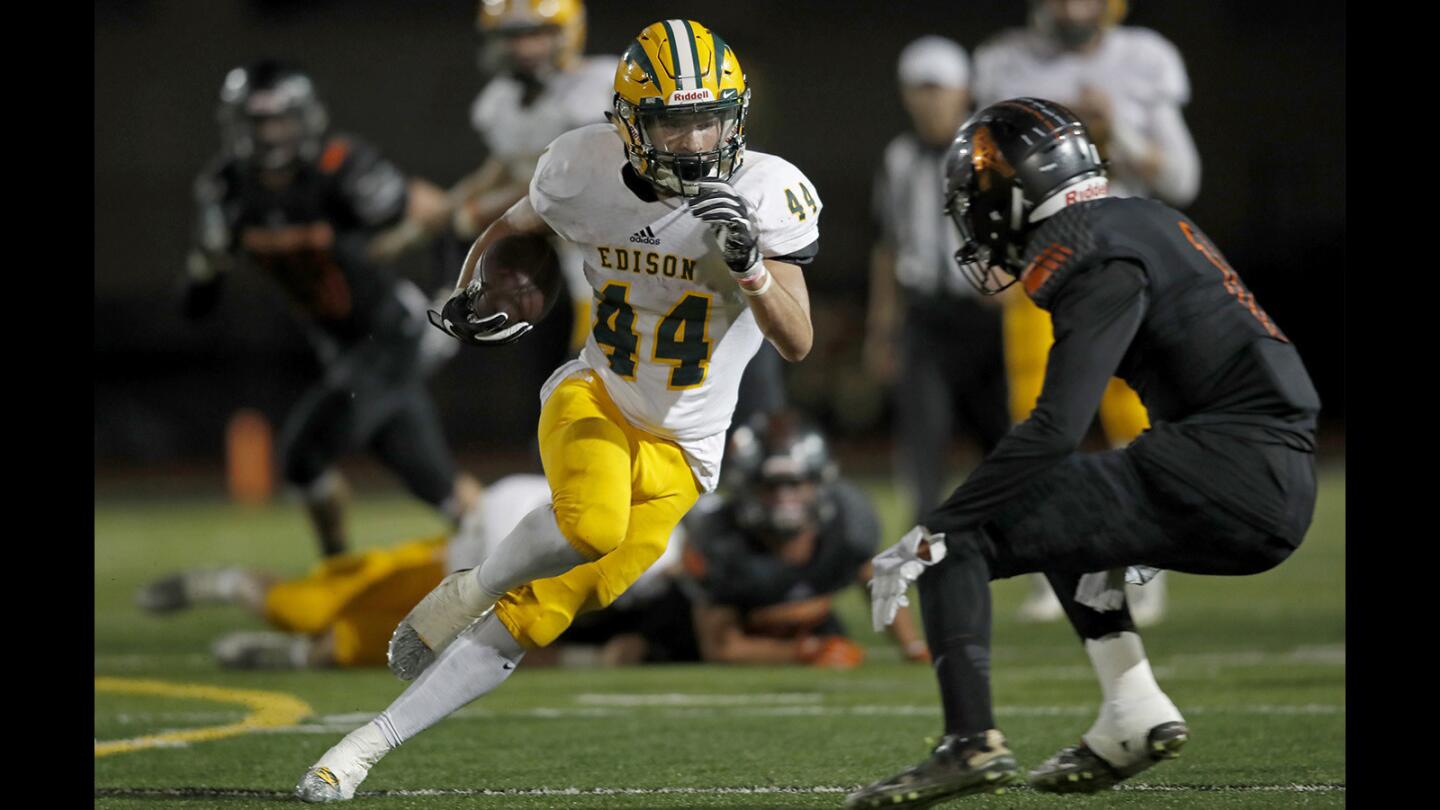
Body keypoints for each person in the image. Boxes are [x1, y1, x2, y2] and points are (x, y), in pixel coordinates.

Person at [295, 19, 820, 802]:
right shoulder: (581, 165)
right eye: (673, 122)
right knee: (590, 526)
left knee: (537, 619)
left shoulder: (765, 191)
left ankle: (361, 747)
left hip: (689, 451)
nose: (693, 140)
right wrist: (473, 289)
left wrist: (748, 269)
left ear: (735, 115)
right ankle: (469, 589)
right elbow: (509, 230)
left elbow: (799, 340)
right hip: (597, 396)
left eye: (708, 118)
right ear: (630, 124)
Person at [847, 98, 1318, 807]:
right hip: (1262, 471)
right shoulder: (1146, 219)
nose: (973, 220)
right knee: (1067, 511)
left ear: (1012, 196)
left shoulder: (1087, 248)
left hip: (1229, 466)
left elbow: (1056, 427)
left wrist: (932, 529)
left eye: (976, 201)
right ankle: (1133, 708)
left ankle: (968, 742)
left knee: (960, 537)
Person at [183, 59, 481, 558]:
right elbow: (195, 307)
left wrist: (451, 303)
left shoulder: (341, 167)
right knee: (438, 485)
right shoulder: (229, 190)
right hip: (342, 350)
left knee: (302, 454)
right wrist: (204, 263)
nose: (268, 134)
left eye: (278, 120)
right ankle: (522, 559)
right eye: (256, 122)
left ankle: (335, 570)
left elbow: (441, 214)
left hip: (390, 335)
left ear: (303, 118)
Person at [972, 0, 1203, 624]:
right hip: (1038, 262)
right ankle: (1056, 556)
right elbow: (980, 175)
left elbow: (1182, 178)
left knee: (1136, 411)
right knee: (1040, 415)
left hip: (1121, 260)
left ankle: (1146, 555)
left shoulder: (1145, 58)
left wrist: (1115, 132)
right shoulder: (1003, 60)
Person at [544, 412, 929, 669]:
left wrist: (912, 646)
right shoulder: (721, 541)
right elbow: (721, 646)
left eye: (796, 485)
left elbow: (873, 575)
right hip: (677, 626)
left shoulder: (847, 524)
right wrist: (801, 651)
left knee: (834, 637)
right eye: (771, 487)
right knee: (621, 651)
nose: (785, 499)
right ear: (746, 488)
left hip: (779, 623)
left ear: (819, 483)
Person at [134, 475, 553, 670]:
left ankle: (288, 655)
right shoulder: (548, 502)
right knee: (301, 611)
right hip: (437, 572)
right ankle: (227, 583)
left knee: (347, 647)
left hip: (469, 624)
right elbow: (500, 503)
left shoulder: (614, 567)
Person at [864, 36, 1010, 528]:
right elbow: (887, 247)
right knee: (922, 442)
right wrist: (881, 331)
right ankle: (926, 545)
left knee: (1002, 436)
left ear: (964, 91)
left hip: (986, 314)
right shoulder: (898, 157)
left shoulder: (993, 151)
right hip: (926, 314)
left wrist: (1014, 278)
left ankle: (1017, 537)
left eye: (940, 88)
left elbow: (1026, 227)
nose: (931, 100)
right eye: (920, 89)